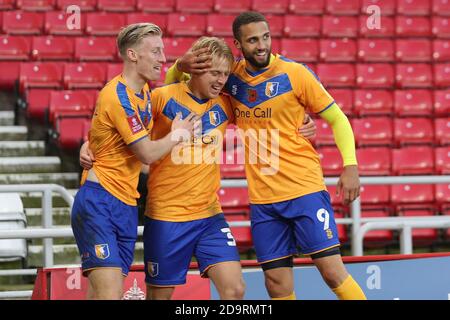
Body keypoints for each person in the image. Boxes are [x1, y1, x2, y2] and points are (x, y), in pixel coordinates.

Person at [80, 36, 318, 300]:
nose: (220, 80)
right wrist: (88, 146)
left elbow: (269, 113)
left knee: (235, 288)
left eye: (225, 74)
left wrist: (303, 122)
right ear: (194, 70)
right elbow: (118, 129)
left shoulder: (227, 104)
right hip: (165, 216)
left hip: (209, 215)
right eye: (214, 73)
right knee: (159, 296)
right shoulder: (160, 97)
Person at [171, 11, 367, 300]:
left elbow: (338, 119)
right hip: (263, 200)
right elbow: (174, 85)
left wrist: (350, 166)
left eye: (265, 37)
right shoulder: (229, 80)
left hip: (304, 189)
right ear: (238, 44)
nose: (261, 45)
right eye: (252, 40)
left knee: (331, 270)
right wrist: (178, 64)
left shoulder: (296, 73)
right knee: (275, 283)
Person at [71, 23, 197, 300]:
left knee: (102, 295)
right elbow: (147, 154)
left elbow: (116, 145)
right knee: (110, 295)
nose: (162, 59)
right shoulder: (117, 96)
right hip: (100, 201)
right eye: (155, 51)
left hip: (127, 205)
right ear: (132, 55)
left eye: (163, 52)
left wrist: (88, 145)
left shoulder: (145, 96)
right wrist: (179, 135)